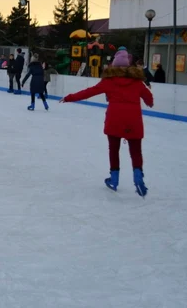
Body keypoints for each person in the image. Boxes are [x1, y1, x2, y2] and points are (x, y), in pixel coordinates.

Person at [60, 49, 153, 197]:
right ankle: (138, 177)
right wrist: (149, 101)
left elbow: (88, 92)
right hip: (133, 120)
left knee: (113, 150)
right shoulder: (138, 82)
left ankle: (114, 179)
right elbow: (149, 98)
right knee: (136, 151)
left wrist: (69, 97)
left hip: (114, 119)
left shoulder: (108, 81)